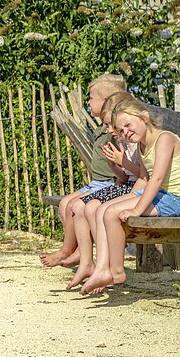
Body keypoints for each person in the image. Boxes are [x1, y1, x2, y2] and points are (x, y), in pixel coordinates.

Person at [80, 99, 180, 295]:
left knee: (112, 214)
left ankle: (116, 271)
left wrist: (136, 209)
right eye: (121, 130)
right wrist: (124, 200)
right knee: (103, 209)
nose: (126, 132)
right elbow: (143, 178)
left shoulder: (165, 139)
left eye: (128, 125)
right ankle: (101, 268)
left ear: (144, 117)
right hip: (161, 195)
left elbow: (157, 178)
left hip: (176, 198)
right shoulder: (143, 145)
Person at [40, 74, 130, 268]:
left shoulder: (117, 130)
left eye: (91, 97)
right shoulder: (105, 127)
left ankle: (77, 251)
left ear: (107, 102)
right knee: (65, 203)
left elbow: (126, 164)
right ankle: (78, 250)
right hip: (97, 183)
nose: (88, 102)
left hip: (109, 182)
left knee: (73, 205)